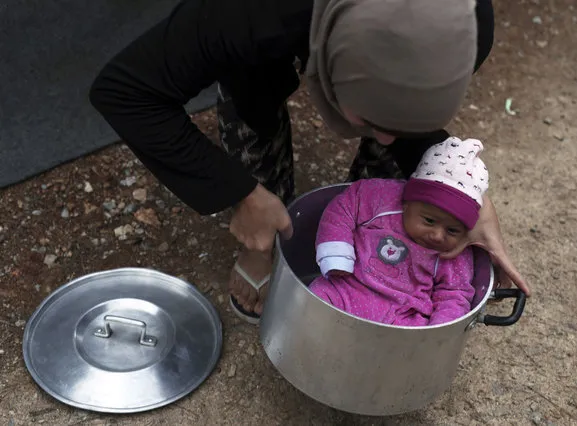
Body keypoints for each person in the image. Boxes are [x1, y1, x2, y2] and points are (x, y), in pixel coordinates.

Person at [89, 0, 530, 324]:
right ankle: (263, 231)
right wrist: (239, 191)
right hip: (271, 19)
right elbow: (126, 92)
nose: (387, 137)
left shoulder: (468, 25)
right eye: (370, 119)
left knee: (394, 128)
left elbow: (404, 112)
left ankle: (376, 236)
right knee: (252, 81)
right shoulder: (245, 16)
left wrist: (462, 189)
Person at [309, 137, 488, 326]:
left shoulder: (455, 253)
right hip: (348, 285)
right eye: (429, 220)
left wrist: (439, 329)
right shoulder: (382, 199)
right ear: (408, 202)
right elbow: (344, 208)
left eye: (452, 230)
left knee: (412, 344)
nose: (437, 235)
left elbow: (455, 294)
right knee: (316, 298)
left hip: (403, 314)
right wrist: (337, 256)